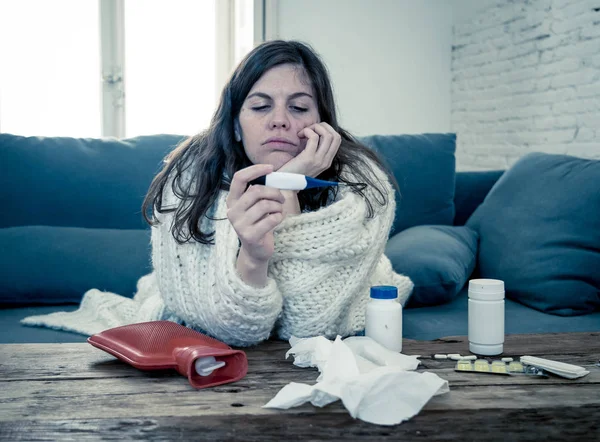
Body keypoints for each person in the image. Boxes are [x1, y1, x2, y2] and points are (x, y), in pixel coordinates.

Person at [22, 40, 413, 346]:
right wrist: (254, 258)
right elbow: (235, 330)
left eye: (298, 107)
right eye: (260, 106)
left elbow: (310, 323)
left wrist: (286, 182)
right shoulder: (190, 180)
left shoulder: (365, 187)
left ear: (321, 121)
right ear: (236, 125)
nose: (279, 120)